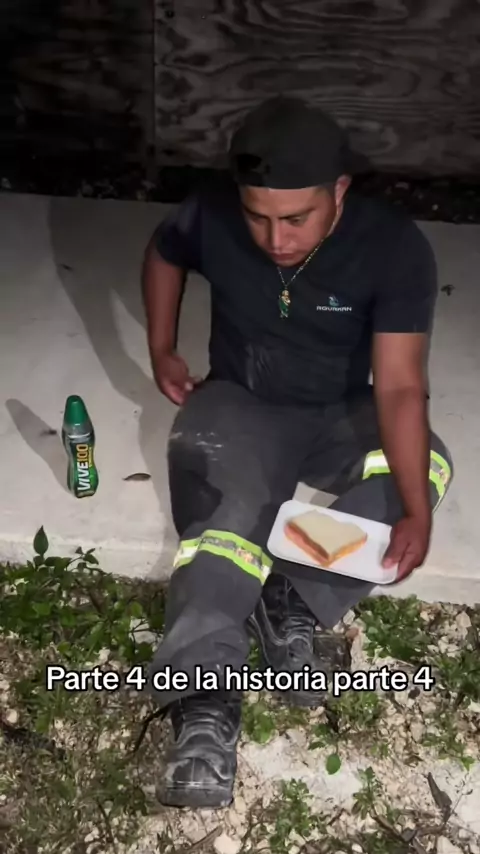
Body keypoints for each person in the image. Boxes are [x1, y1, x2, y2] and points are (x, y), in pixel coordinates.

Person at [141, 96, 453, 809]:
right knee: (222, 532)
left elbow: (400, 387)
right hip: (240, 406)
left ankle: (296, 595)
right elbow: (164, 253)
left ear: (339, 189)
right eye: (259, 217)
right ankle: (205, 707)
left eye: (295, 219)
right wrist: (162, 346)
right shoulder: (210, 212)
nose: (275, 238)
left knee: (423, 467)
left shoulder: (393, 247)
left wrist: (414, 509)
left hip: (342, 411)